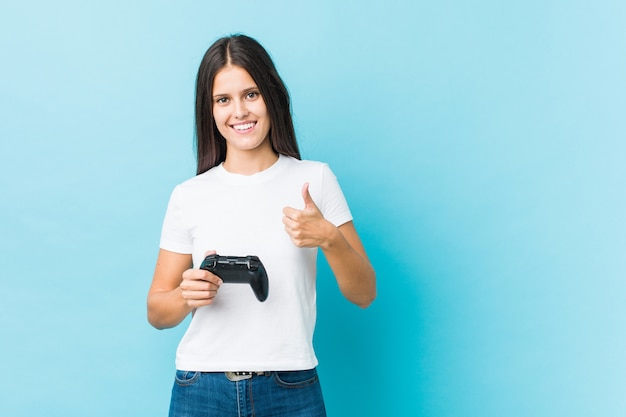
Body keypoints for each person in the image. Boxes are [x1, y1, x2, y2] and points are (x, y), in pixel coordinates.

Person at [147, 34, 376, 417]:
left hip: (291, 386)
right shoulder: (188, 195)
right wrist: (187, 295)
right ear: (210, 111)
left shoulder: (315, 180)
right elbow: (157, 312)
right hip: (201, 388)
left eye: (251, 94)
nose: (239, 111)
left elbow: (364, 293)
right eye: (224, 99)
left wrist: (330, 240)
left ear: (272, 96)